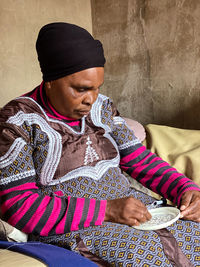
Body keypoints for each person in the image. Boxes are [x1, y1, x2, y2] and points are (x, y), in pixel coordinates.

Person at [0, 22, 200, 266]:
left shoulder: (103, 107)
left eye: (97, 89)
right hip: (78, 226)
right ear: (50, 81)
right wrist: (106, 210)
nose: (91, 100)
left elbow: (141, 160)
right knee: (143, 257)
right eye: (82, 89)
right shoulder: (16, 122)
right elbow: (20, 205)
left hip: (133, 210)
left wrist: (184, 188)